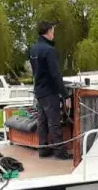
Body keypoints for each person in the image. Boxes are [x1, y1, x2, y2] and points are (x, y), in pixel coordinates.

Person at [29, 20, 70, 159]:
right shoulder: (49, 50)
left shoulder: (33, 49)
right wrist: (65, 95)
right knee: (54, 121)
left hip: (39, 91)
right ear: (48, 31)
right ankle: (60, 152)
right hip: (49, 91)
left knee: (42, 121)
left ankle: (43, 148)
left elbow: (36, 72)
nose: (54, 34)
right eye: (53, 31)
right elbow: (55, 74)